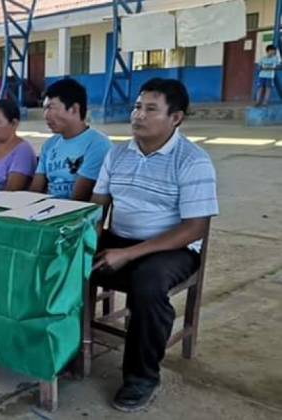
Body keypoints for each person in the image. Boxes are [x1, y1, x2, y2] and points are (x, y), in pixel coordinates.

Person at [90, 78, 218, 413]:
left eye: (150, 109)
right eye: (136, 106)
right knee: (62, 261)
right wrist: (88, 239)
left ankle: (142, 378)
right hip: (121, 239)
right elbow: (98, 207)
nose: (138, 115)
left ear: (175, 118)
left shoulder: (192, 160)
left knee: (147, 284)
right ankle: (68, 347)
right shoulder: (117, 153)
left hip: (173, 247)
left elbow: (194, 229)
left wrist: (129, 253)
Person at [30, 78, 111, 201]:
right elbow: (35, 192)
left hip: (72, 216)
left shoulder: (97, 144)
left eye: (50, 108)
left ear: (74, 109)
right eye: (44, 108)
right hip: (44, 213)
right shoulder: (50, 144)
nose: (45, 115)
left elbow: (78, 199)